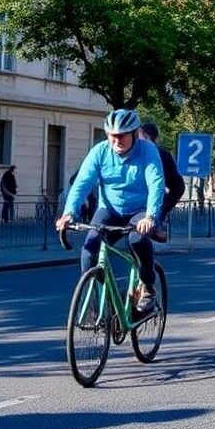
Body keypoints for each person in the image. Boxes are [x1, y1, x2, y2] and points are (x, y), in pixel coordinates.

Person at [56, 109, 165, 316]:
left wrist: (151, 216)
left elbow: (156, 184)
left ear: (133, 133)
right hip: (109, 209)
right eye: (112, 136)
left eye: (121, 135)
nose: (116, 140)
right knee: (89, 248)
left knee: (137, 240)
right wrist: (69, 213)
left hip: (139, 210)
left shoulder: (147, 150)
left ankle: (148, 287)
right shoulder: (100, 152)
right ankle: (98, 297)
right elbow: (82, 183)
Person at [139, 121, 185, 239]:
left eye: (138, 135)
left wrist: (162, 209)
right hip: (136, 205)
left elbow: (178, 186)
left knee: (140, 239)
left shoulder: (162, 155)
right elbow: (178, 186)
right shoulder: (133, 152)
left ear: (145, 135)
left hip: (146, 207)